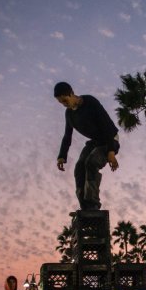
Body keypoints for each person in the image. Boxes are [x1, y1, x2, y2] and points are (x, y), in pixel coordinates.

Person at [54, 81, 120, 211]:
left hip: (109, 138)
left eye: (65, 101)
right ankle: (85, 207)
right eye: (61, 103)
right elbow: (67, 136)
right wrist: (62, 156)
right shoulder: (69, 114)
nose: (64, 105)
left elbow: (105, 125)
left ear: (72, 93)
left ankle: (93, 204)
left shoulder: (90, 102)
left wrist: (111, 151)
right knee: (79, 168)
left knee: (91, 162)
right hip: (94, 142)